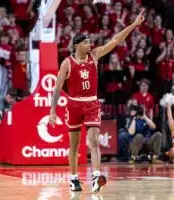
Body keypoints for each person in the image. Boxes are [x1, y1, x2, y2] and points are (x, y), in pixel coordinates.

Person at [49, 10, 145, 192]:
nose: (89, 44)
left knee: (94, 140)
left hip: (92, 103)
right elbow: (57, 87)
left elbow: (115, 40)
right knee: (74, 145)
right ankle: (73, 178)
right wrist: (52, 111)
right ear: (77, 45)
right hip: (74, 103)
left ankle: (95, 177)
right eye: (85, 42)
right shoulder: (67, 63)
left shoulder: (94, 56)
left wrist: (133, 25)